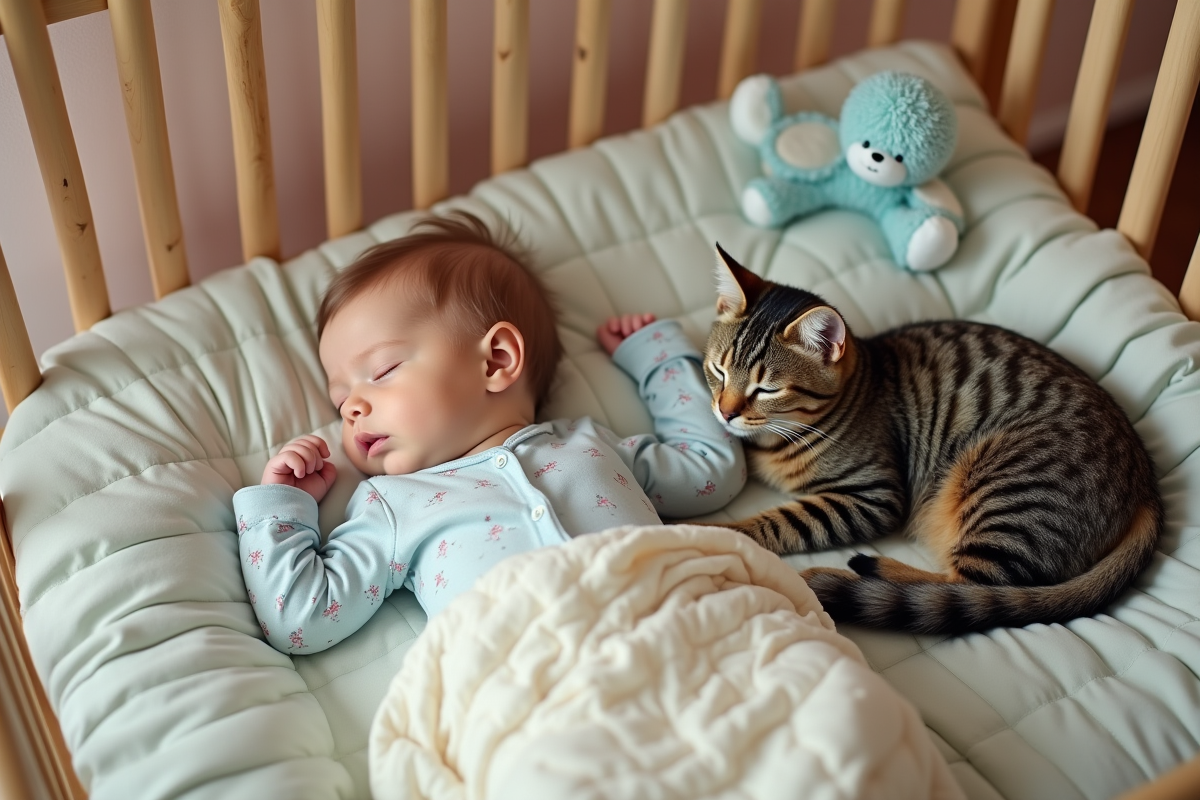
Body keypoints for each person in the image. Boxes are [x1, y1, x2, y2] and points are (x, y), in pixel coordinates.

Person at [233, 211, 745, 653]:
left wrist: (660, 359)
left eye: (383, 371)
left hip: (679, 633)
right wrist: (282, 508)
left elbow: (710, 470)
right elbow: (301, 619)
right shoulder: (393, 505)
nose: (353, 409)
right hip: (539, 686)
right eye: (340, 401)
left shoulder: (589, 446)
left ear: (497, 360)